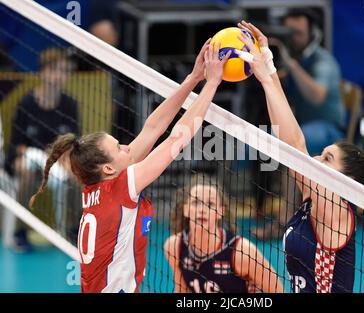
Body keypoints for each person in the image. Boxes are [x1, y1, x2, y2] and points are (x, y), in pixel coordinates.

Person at [29, 40, 232, 293]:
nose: (127, 147)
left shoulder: (101, 187)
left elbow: (152, 129)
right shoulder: (122, 187)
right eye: (119, 147)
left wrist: (193, 78)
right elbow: (176, 138)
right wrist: (212, 83)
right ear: (108, 169)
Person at [236, 21, 364, 293]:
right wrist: (268, 63)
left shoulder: (333, 209)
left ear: (345, 180)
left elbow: (296, 144)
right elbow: (287, 145)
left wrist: (265, 77)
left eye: (327, 159)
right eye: (322, 155)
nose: (316, 160)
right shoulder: (313, 200)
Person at [5, 47, 80, 249]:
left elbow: (73, 144)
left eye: (64, 70)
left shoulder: (70, 105)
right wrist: (35, 156)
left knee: (75, 175)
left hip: (58, 160)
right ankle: (20, 232)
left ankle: (73, 231)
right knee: (27, 173)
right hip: (28, 157)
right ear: (43, 72)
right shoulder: (27, 103)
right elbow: (16, 144)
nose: (58, 75)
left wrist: (60, 159)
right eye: (54, 69)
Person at [164, 174, 284, 293]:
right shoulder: (174, 246)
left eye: (210, 204)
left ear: (221, 212)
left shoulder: (242, 252)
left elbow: (278, 290)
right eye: (196, 202)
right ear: (186, 209)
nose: (202, 210)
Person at [276, 9, 345, 157]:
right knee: (257, 140)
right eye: (288, 33)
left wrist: (292, 65)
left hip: (328, 129)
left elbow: (317, 96)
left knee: (289, 143)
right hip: (300, 127)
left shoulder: (323, 61)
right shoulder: (288, 62)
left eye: (298, 33)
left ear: (312, 33)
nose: (293, 38)